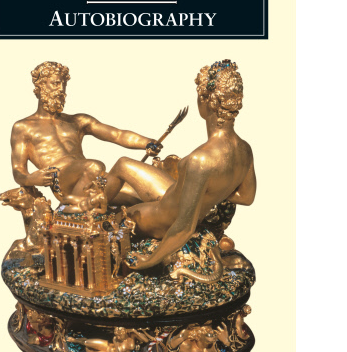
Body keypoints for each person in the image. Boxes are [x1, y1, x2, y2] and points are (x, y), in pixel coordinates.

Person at [102, 60, 256, 270]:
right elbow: (247, 197)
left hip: (161, 219)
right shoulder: (245, 149)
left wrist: (149, 260)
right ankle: (98, 202)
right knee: (123, 164)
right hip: (173, 194)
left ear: (206, 100)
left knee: (119, 214)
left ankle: (94, 211)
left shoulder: (200, 160)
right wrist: (210, 193)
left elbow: (184, 227)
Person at [10, 61, 161, 203]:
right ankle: (72, 207)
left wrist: (147, 143)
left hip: (90, 177)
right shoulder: (24, 127)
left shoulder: (77, 121)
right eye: (55, 83)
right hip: (63, 182)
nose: (61, 89)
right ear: (41, 86)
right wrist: (30, 179)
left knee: (138, 194)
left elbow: (117, 135)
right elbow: (18, 170)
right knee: (94, 166)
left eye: (64, 84)